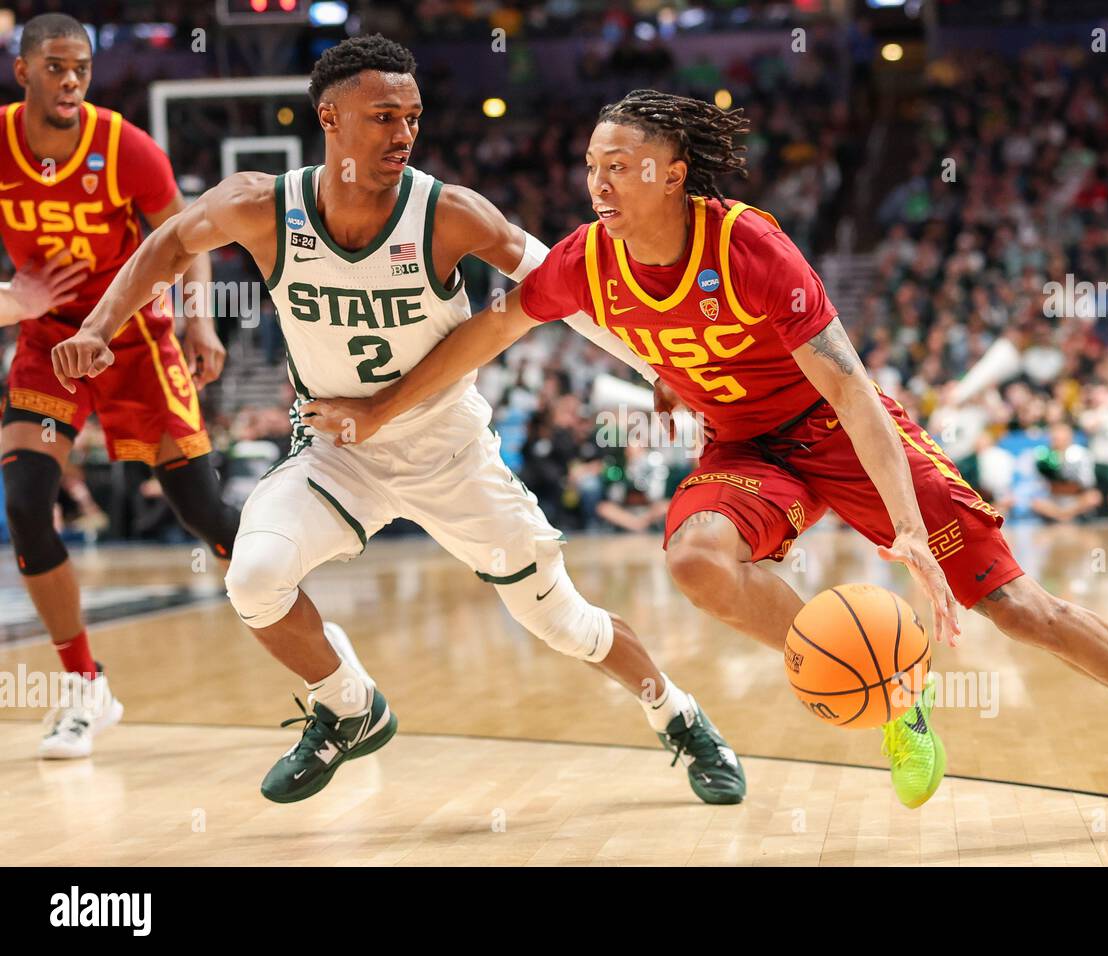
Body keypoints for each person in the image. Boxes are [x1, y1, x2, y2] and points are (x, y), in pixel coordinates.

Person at [303, 90, 1108, 834]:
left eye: (621, 164)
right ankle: (889, 689)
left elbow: (851, 392)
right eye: (592, 164)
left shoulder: (748, 242)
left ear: (675, 172)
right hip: (749, 447)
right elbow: (485, 333)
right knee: (693, 561)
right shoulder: (585, 261)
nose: (598, 181)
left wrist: (911, 542)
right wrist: (378, 410)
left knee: (1015, 606)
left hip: (841, 430)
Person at [52, 39, 744, 806]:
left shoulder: (446, 213)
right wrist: (97, 326)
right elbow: (166, 243)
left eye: (412, 118)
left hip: (451, 454)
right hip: (338, 453)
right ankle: (349, 705)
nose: (403, 133)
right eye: (384, 116)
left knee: (565, 625)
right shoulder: (260, 204)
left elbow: (564, 284)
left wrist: (658, 369)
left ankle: (676, 714)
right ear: (330, 118)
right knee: (251, 579)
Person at [0, 14, 237, 758]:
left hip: (132, 337)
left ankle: (317, 642)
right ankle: (85, 686)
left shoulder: (124, 147)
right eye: (56, 67)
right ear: (24, 72)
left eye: (81, 69)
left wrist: (201, 322)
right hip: (48, 341)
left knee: (201, 508)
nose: (71, 81)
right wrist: (15, 301)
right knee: (26, 505)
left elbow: (187, 237)